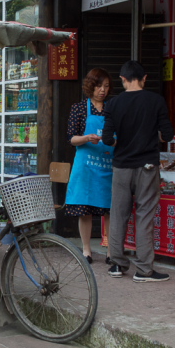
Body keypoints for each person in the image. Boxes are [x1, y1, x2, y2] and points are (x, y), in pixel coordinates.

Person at [102, 61, 174, 283]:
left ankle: (116, 264)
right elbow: (168, 135)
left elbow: (107, 139)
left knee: (118, 215)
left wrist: (120, 142)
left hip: (121, 167)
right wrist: (151, 137)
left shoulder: (113, 104)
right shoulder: (156, 101)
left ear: (122, 79)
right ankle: (144, 270)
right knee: (144, 216)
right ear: (144, 79)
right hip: (147, 167)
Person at [65, 68, 113, 265]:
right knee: (84, 210)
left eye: (106, 86)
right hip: (86, 167)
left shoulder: (112, 109)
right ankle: (86, 250)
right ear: (90, 86)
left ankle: (111, 251)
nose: (103, 90)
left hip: (108, 166)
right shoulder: (79, 108)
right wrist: (86, 137)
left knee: (110, 209)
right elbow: (71, 138)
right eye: (99, 86)